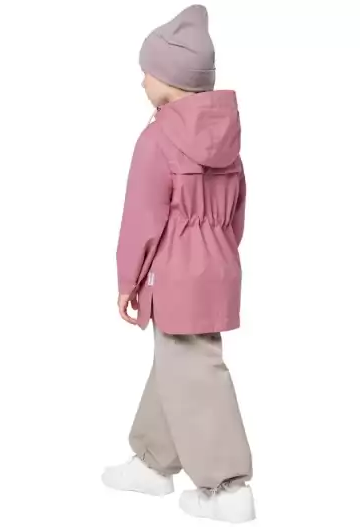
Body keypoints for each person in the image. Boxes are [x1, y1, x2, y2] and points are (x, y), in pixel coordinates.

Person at [102, 5, 255, 523]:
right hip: (219, 266)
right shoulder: (228, 139)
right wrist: (218, 259)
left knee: (196, 370)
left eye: (145, 71)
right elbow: (236, 213)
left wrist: (128, 281)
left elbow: (141, 220)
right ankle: (153, 461)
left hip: (174, 273)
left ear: (166, 80)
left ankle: (227, 486)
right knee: (178, 360)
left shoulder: (158, 139)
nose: (141, 81)